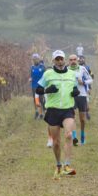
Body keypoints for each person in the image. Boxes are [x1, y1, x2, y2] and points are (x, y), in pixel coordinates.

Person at [35, 50, 78, 178]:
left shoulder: (72, 74)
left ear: (64, 60)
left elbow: (75, 87)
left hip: (67, 109)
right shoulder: (48, 74)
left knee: (69, 135)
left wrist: (75, 92)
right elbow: (38, 89)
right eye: (57, 59)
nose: (59, 61)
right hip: (53, 110)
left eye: (61, 59)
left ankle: (67, 165)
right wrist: (47, 90)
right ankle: (58, 165)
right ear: (53, 61)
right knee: (56, 142)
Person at [68, 53, 92, 145]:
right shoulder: (66, 70)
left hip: (82, 95)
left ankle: (82, 136)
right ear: (68, 61)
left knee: (82, 119)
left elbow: (90, 80)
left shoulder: (82, 69)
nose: (73, 61)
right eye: (71, 60)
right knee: (72, 117)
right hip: (71, 96)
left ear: (77, 60)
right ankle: (74, 137)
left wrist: (84, 82)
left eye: (74, 59)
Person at [30, 53, 45, 119]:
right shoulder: (32, 67)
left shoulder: (42, 67)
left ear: (38, 59)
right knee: (36, 100)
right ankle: (37, 112)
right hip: (34, 86)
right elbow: (31, 76)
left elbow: (45, 75)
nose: (35, 60)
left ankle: (42, 113)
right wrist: (30, 79)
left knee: (41, 100)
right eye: (34, 59)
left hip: (41, 85)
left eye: (36, 59)